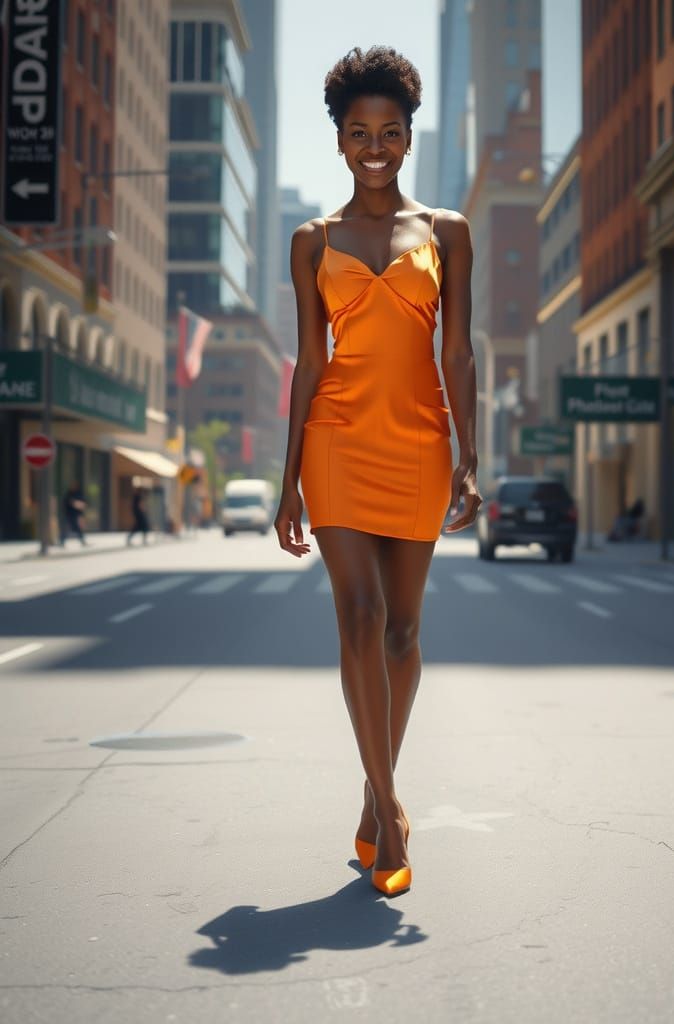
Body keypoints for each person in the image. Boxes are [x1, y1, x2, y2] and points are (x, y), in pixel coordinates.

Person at [273, 46, 482, 897]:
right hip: (336, 440)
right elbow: (307, 363)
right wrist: (288, 480)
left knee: (402, 632)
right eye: (359, 132)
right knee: (357, 616)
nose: (374, 146)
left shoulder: (448, 233)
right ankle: (393, 819)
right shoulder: (313, 240)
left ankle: (370, 794)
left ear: (408, 136)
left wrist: (472, 459)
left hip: (420, 443)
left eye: (389, 131)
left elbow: (459, 351)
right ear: (338, 140)